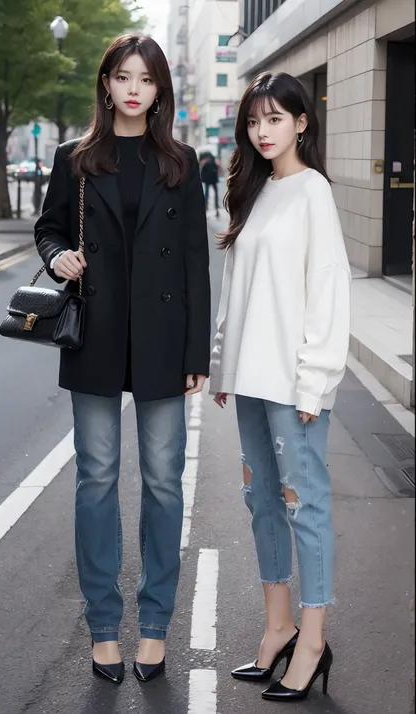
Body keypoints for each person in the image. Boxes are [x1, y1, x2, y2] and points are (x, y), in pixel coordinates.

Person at [35, 34, 210, 685]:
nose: (133, 88)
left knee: (165, 485)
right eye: (123, 77)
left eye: (146, 78)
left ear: (159, 89)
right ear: (106, 84)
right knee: (97, 481)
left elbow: (195, 262)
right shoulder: (74, 159)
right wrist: (57, 257)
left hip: (164, 342)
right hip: (98, 336)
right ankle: (105, 628)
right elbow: (49, 226)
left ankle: (156, 625)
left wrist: (198, 353)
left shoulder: (182, 162)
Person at [210, 72, 351, 702]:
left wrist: (314, 381)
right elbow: (238, 287)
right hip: (250, 377)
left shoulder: (313, 192)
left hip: (294, 383)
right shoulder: (258, 189)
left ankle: (314, 641)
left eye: (275, 119)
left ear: (302, 122)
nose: (262, 131)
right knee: (261, 503)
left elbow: (327, 291)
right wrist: (222, 364)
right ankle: (277, 629)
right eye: (254, 121)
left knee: (305, 507)